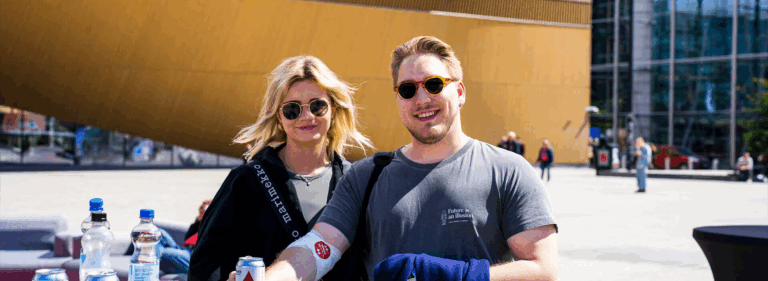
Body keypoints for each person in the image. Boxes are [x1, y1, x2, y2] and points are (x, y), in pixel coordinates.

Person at [242, 36, 558, 281]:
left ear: (459, 92)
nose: (422, 99)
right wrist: (271, 278)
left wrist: (451, 275)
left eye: (434, 84)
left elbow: (543, 271)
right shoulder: (366, 176)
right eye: (407, 89)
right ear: (398, 99)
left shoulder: (508, 171)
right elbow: (318, 248)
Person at [189, 56, 373, 281]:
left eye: (317, 106)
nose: (306, 116)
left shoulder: (354, 181)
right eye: (292, 109)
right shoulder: (246, 180)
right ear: (279, 117)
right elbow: (205, 265)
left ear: (333, 109)